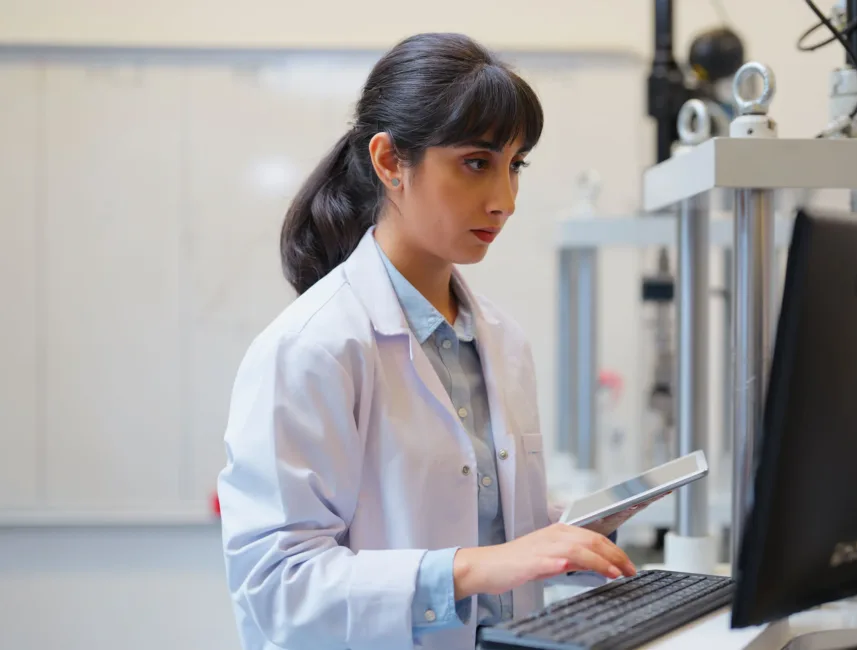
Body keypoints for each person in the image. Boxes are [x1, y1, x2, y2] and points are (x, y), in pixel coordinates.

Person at [216, 33, 647, 650]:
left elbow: (477, 514)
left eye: (515, 165)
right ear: (390, 162)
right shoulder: (313, 347)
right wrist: (476, 566)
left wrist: (562, 537)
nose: (505, 200)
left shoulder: (502, 341)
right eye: (477, 162)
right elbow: (279, 589)